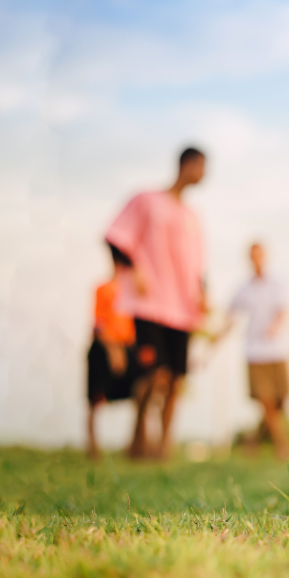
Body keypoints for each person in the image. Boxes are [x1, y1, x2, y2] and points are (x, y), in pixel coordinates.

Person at [105, 146, 208, 460]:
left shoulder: (193, 217)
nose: (204, 174)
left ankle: (163, 445)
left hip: (183, 310)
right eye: (202, 167)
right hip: (150, 304)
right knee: (154, 375)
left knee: (175, 381)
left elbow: (198, 266)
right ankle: (138, 435)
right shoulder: (146, 200)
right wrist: (133, 270)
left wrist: (204, 295)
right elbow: (116, 237)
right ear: (187, 164)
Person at [216, 243, 289, 460]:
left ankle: (254, 440)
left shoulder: (278, 284)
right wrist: (216, 339)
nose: (256, 259)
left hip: (278, 350)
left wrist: (276, 325)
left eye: (260, 255)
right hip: (255, 352)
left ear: (265, 256)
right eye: (253, 256)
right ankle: (283, 446)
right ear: (249, 258)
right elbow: (230, 317)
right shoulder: (243, 289)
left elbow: (284, 310)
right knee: (267, 401)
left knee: (281, 400)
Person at [85, 245, 138, 460]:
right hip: (104, 348)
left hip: (128, 347)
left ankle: (135, 444)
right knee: (96, 397)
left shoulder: (133, 293)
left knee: (138, 393)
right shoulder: (103, 289)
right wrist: (114, 350)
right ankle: (92, 446)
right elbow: (98, 326)